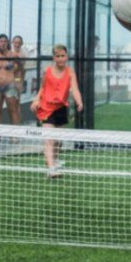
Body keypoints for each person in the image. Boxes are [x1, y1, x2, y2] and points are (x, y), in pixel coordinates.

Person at [31, 44, 84, 178]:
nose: (60, 58)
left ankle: (53, 160)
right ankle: (51, 169)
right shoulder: (47, 71)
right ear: (54, 58)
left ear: (67, 56)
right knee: (49, 139)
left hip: (61, 108)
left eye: (63, 55)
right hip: (46, 108)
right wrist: (36, 100)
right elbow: (42, 88)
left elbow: (75, 90)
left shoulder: (70, 72)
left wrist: (79, 102)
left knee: (58, 141)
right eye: (58, 56)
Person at [0, 34, 22, 125]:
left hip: (10, 86)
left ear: (8, 43)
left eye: (5, 41)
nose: (3, 43)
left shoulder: (13, 55)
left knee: (12, 111)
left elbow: (19, 70)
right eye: (1, 41)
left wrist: (17, 82)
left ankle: (15, 137)